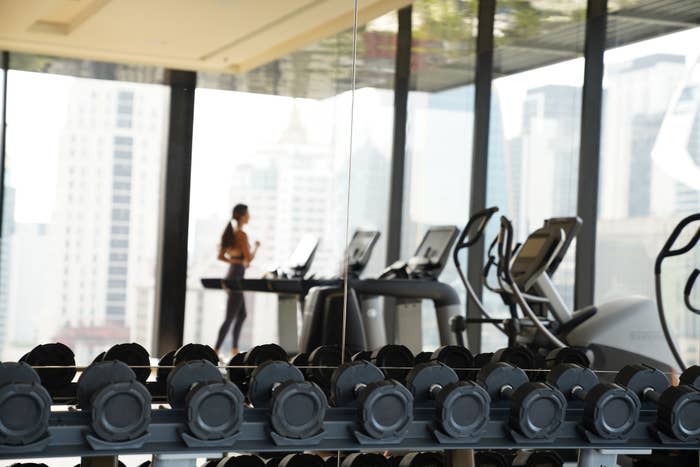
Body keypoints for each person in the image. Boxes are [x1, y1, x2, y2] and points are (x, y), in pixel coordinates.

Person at [214, 203, 260, 357]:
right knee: (230, 317)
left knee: (242, 315)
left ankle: (234, 350)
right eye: (248, 214)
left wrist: (234, 262)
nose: (249, 216)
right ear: (242, 216)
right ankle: (216, 350)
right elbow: (248, 259)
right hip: (237, 277)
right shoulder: (241, 234)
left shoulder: (231, 232)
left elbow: (221, 256)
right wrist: (256, 248)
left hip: (231, 274)